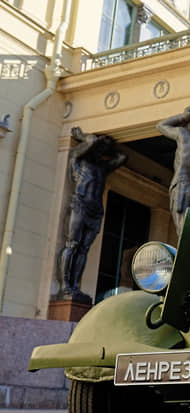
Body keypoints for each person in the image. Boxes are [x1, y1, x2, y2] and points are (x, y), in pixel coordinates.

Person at [58, 127, 127, 303]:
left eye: (104, 149)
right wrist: (84, 136)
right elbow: (89, 142)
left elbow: (122, 158)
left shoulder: (102, 168)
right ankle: (66, 286)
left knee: (84, 249)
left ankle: (74, 287)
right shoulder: (77, 159)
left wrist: (109, 146)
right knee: (72, 245)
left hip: (95, 210)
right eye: (100, 147)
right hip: (80, 205)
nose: (102, 150)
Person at [157, 105, 190, 234]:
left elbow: (161, 126)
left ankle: (187, 253)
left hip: (181, 184)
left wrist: (182, 117)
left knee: (182, 228)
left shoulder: (182, 134)